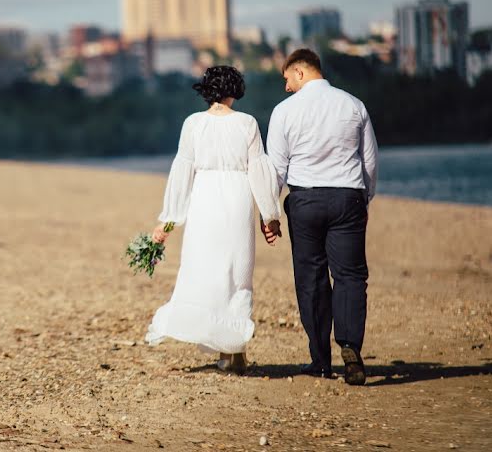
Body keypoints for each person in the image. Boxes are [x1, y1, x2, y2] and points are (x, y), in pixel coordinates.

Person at [146, 66, 282, 375]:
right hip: (237, 199)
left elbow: (183, 173)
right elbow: (259, 171)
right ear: (235, 89)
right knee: (237, 273)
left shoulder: (193, 123)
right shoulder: (246, 123)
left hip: (204, 200)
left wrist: (168, 221)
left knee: (205, 270)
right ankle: (235, 349)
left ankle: (227, 350)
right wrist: (270, 216)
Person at [264, 49, 378, 385]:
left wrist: (269, 213)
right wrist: (365, 199)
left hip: (305, 200)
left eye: (286, 78)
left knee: (310, 278)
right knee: (350, 276)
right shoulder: (353, 105)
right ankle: (350, 346)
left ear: (300, 72)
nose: (285, 86)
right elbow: (369, 161)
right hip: (347, 197)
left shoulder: (284, 111)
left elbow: (276, 169)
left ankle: (321, 360)